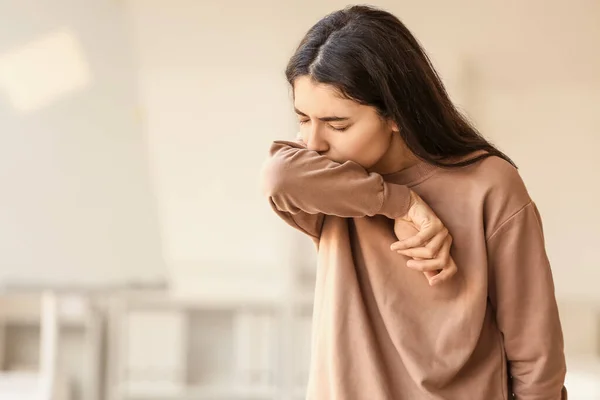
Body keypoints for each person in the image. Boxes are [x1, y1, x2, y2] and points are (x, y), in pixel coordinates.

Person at [261, 5, 566, 400]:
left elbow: (535, 354)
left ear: (396, 114)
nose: (314, 143)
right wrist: (402, 204)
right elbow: (278, 176)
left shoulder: (489, 186)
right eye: (303, 119)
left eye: (338, 124)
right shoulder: (327, 186)